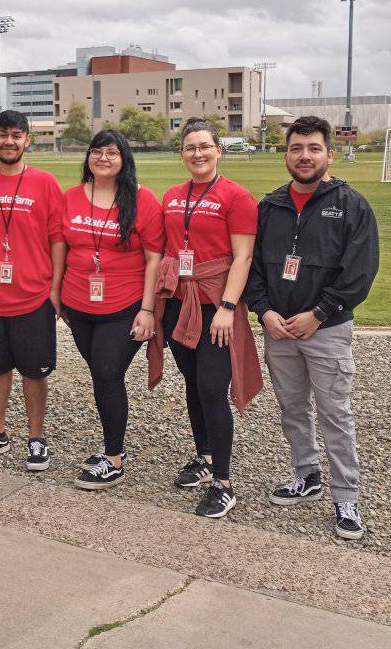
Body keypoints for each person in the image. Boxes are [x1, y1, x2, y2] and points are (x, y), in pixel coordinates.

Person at [245, 116, 379, 540]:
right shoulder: (269, 206)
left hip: (325, 329)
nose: (305, 156)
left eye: (314, 148)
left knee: (335, 413)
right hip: (278, 329)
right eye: (297, 148)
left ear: (329, 154)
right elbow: (250, 265)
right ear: (286, 153)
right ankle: (306, 474)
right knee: (293, 409)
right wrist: (263, 311)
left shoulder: (351, 205)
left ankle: (346, 495)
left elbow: (359, 272)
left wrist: (319, 313)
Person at [149, 117, 262, 519]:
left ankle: (224, 483)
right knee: (194, 384)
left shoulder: (236, 196)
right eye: (190, 147)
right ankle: (204, 457)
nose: (197, 153)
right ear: (182, 153)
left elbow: (243, 256)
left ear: (218, 149)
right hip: (181, 300)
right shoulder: (174, 195)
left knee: (213, 388)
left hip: (216, 303)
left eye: (204, 146)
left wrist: (228, 309)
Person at [0, 110, 65, 471]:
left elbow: (57, 240)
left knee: (34, 371)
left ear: (27, 140)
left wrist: (54, 287)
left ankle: (37, 438)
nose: (9, 141)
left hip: (33, 294)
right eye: (2, 134)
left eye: (16, 135)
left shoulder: (45, 183)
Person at [60, 130, 164, 489]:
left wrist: (147, 309)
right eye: (96, 152)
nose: (103, 158)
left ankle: (114, 459)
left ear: (124, 159)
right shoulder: (71, 197)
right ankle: (111, 446)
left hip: (124, 304)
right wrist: (56, 293)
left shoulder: (141, 199)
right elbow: (61, 246)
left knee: (107, 373)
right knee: (102, 376)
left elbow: (154, 258)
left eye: (111, 152)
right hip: (78, 304)